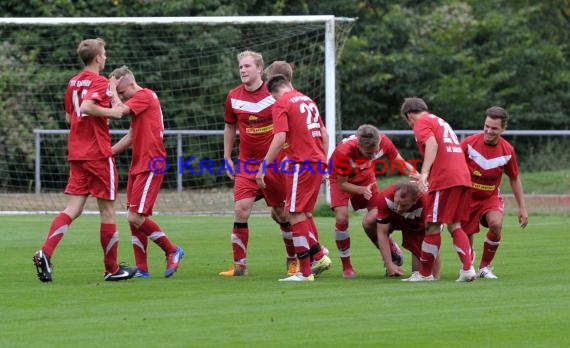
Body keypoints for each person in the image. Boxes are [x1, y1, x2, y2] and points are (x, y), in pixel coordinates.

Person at [33, 38, 136, 282]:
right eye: (105, 54)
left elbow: (71, 119)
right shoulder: (99, 82)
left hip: (77, 152)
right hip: (98, 153)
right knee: (108, 212)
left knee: (73, 208)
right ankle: (112, 270)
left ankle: (45, 252)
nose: (106, 57)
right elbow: (88, 107)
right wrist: (112, 113)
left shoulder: (73, 82)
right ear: (98, 58)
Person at [89, 65, 185, 278]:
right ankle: (142, 269)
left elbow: (119, 112)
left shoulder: (145, 95)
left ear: (131, 84)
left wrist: (112, 90)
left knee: (134, 217)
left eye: (122, 92)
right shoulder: (139, 103)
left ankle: (172, 250)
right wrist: (109, 152)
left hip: (152, 163)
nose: (120, 97)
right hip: (139, 163)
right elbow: (132, 135)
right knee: (134, 217)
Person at [219, 51, 297, 277]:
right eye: (240, 67)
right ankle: (239, 265)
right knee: (240, 211)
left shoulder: (275, 94)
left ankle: (293, 260)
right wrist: (226, 157)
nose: (242, 70)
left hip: (274, 164)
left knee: (282, 215)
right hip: (247, 164)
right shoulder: (233, 96)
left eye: (247, 66)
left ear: (260, 70)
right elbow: (230, 126)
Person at [257, 74, 332, 281]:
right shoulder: (308, 100)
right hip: (317, 161)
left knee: (294, 214)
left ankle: (305, 272)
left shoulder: (281, 103)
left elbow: (280, 137)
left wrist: (263, 166)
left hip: (303, 164)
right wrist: (323, 162)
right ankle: (318, 255)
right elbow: (323, 135)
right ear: (289, 85)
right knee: (303, 214)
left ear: (272, 94)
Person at [400, 97, 475, 282]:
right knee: (454, 224)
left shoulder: (420, 122)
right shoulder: (439, 121)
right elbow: (444, 151)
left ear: (409, 115)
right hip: (462, 176)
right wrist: (428, 174)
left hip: (446, 179)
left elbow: (432, 144)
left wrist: (424, 173)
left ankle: (425, 274)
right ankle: (467, 269)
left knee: (432, 225)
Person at [329, 124, 415, 278]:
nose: (372, 156)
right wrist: (361, 190)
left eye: (375, 152)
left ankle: (390, 247)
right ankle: (347, 266)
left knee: (373, 219)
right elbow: (342, 184)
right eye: (368, 153)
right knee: (341, 218)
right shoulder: (344, 152)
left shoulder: (384, 142)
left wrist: (420, 178)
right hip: (340, 179)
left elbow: (401, 164)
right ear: (358, 145)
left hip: (365, 176)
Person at [460, 106, 528, 279]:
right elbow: (453, 166)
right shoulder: (468, 144)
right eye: (486, 126)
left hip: (490, 197)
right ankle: (469, 266)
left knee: (496, 225)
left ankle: (485, 267)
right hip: (467, 197)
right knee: (466, 236)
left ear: (503, 129)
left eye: (494, 128)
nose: (489, 131)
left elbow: (514, 178)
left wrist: (522, 208)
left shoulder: (507, 151)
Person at [376, 182, 441, 279]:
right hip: (399, 220)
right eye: (396, 203)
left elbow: (432, 236)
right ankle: (394, 256)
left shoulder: (426, 201)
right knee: (370, 221)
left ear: (415, 201)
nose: (398, 208)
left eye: (404, 205)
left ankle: (466, 266)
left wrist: (436, 276)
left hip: (421, 224)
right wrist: (389, 265)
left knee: (420, 271)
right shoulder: (385, 197)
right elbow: (382, 233)